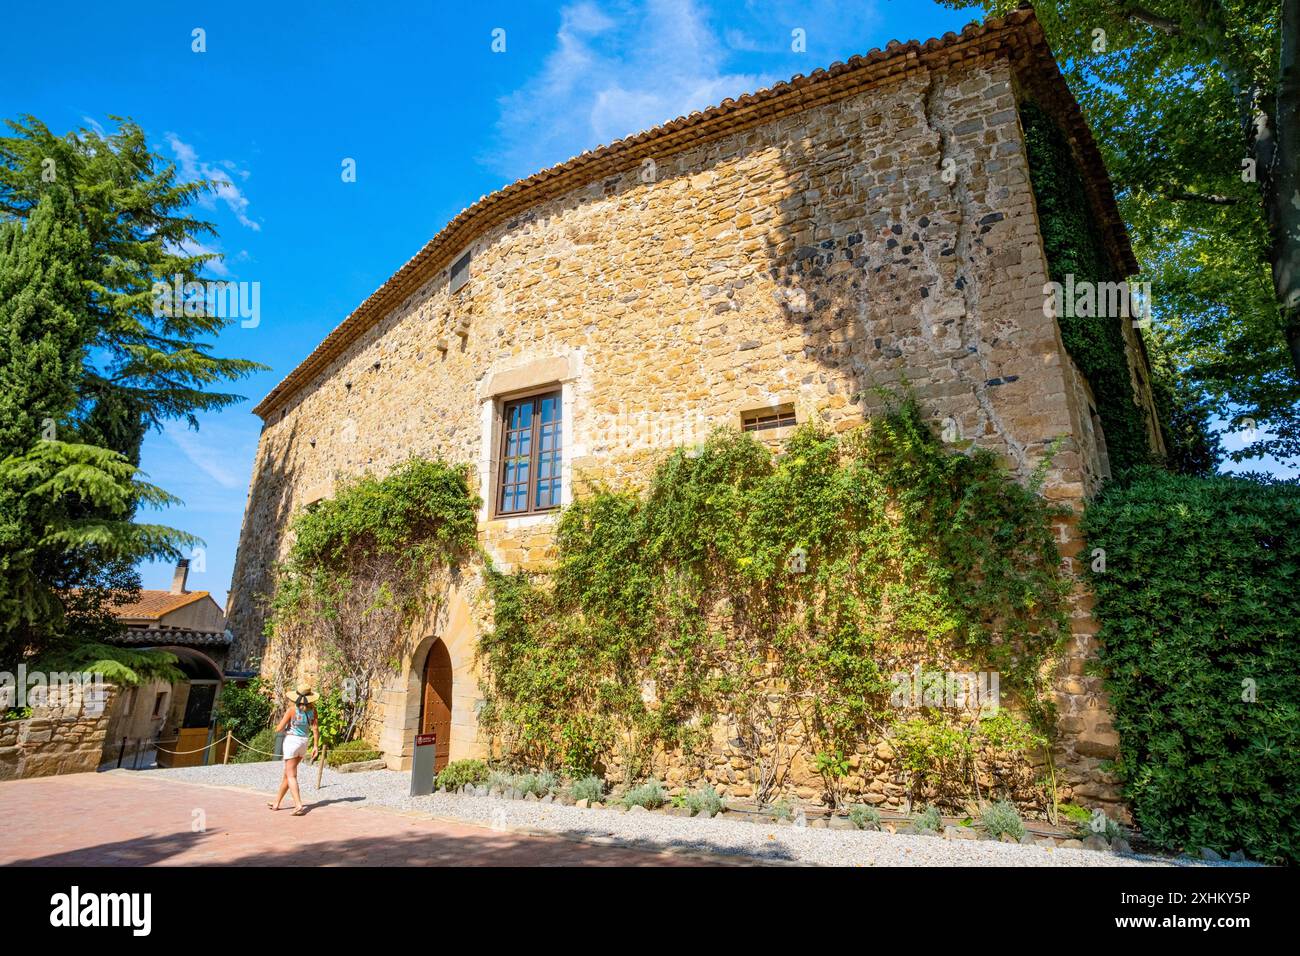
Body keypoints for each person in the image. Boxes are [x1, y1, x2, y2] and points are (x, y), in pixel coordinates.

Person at [268, 683, 320, 816]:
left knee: (291, 775)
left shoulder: (292, 710)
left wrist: (281, 728)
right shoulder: (313, 711)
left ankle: (298, 805)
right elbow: (315, 729)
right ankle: (276, 803)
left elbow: (279, 728)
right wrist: (315, 746)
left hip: (292, 741)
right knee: (287, 774)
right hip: (304, 742)